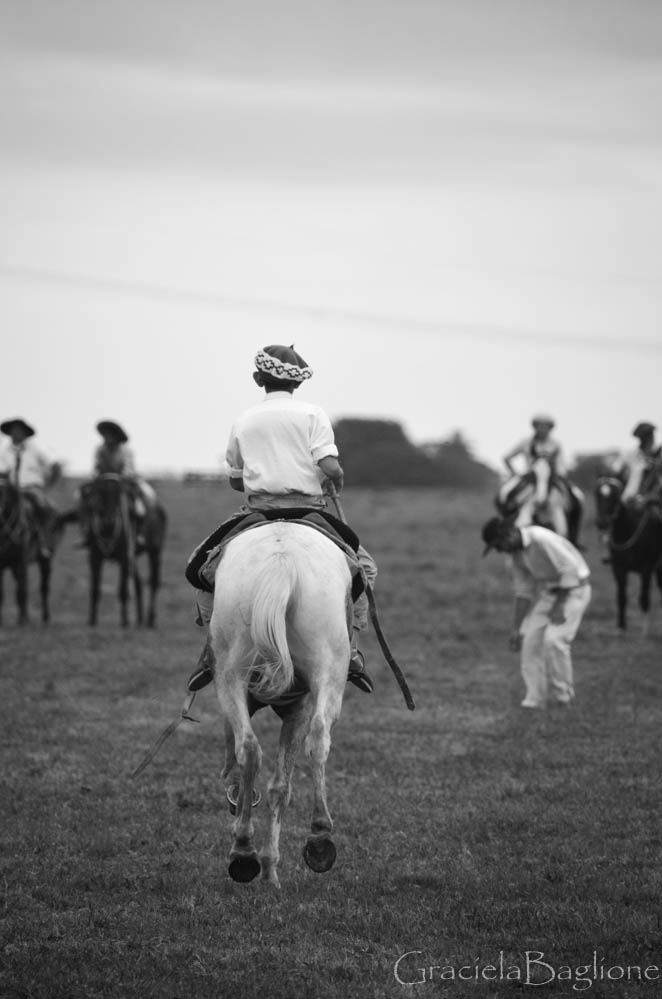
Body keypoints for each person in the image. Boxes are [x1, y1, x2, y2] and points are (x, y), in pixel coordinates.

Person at [187, 344, 377, 695]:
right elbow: (330, 466)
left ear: (258, 378)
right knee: (365, 569)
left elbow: (235, 479)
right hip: (310, 510)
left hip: (257, 510)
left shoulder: (243, 420)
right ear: (297, 384)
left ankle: (212, 652)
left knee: (200, 567)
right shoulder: (313, 414)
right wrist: (335, 477)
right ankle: (350, 653)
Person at [481, 516, 591, 710]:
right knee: (530, 642)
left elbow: (569, 571)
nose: (500, 551)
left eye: (499, 545)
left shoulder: (541, 539)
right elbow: (524, 591)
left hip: (574, 591)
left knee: (554, 640)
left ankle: (564, 697)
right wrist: (516, 628)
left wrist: (559, 608)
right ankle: (535, 699)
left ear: (509, 534)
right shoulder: (514, 556)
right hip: (550, 594)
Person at [79, 421, 157, 540]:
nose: (106, 437)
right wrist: (95, 476)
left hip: (124, 483)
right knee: (85, 498)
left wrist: (123, 476)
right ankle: (87, 532)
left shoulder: (125, 450)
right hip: (103, 483)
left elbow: (128, 468)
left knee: (144, 498)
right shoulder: (100, 449)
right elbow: (96, 467)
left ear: (115, 436)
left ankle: (140, 533)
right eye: (104, 435)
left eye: (109, 435)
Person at [0, 417, 61, 556]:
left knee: (43, 507)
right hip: (10, 490)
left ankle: (43, 540)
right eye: (13, 430)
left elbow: (55, 466)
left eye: (19, 431)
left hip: (32, 489)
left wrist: (48, 486)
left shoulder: (35, 449)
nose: (16, 433)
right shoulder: (4, 451)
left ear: (25, 433)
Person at [500, 415, 569, 534]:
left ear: (550, 429)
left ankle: (571, 535)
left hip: (551, 479)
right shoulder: (526, 442)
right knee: (505, 494)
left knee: (576, 497)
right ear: (534, 427)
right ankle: (506, 529)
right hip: (529, 478)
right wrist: (514, 473)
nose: (542, 429)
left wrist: (559, 475)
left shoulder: (555, 444)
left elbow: (561, 465)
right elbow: (507, 458)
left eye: (545, 427)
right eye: (539, 426)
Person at [611, 422, 662, 507]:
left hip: (654, 500)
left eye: (650, 436)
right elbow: (615, 469)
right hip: (630, 499)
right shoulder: (630, 454)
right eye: (647, 437)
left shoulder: (658, 455)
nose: (651, 439)